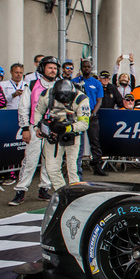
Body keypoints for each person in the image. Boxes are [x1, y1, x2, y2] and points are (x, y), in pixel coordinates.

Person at [11, 56, 58, 206]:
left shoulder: (60, 85)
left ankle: (44, 188)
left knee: (49, 160)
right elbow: (23, 108)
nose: (53, 71)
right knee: (30, 160)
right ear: (42, 68)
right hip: (35, 126)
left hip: (53, 128)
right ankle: (20, 190)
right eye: (50, 67)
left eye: (55, 68)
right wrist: (25, 128)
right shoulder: (31, 85)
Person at [33, 80, 90, 191]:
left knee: (73, 169)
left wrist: (67, 128)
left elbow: (84, 124)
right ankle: (62, 193)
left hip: (73, 134)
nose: (64, 104)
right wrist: (37, 127)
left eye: (67, 101)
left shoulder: (81, 99)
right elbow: (38, 111)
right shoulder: (46, 95)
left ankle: (75, 195)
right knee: (52, 168)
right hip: (53, 134)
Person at [72, 59, 105, 176]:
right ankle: (74, 167)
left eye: (88, 67)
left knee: (95, 142)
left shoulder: (96, 83)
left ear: (91, 68)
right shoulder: (74, 82)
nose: (86, 69)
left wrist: (93, 113)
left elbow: (99, 101)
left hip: (92, 115)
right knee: (77, 143)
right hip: (77, 116)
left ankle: (97, 166)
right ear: (81, 68)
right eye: (84, 67)